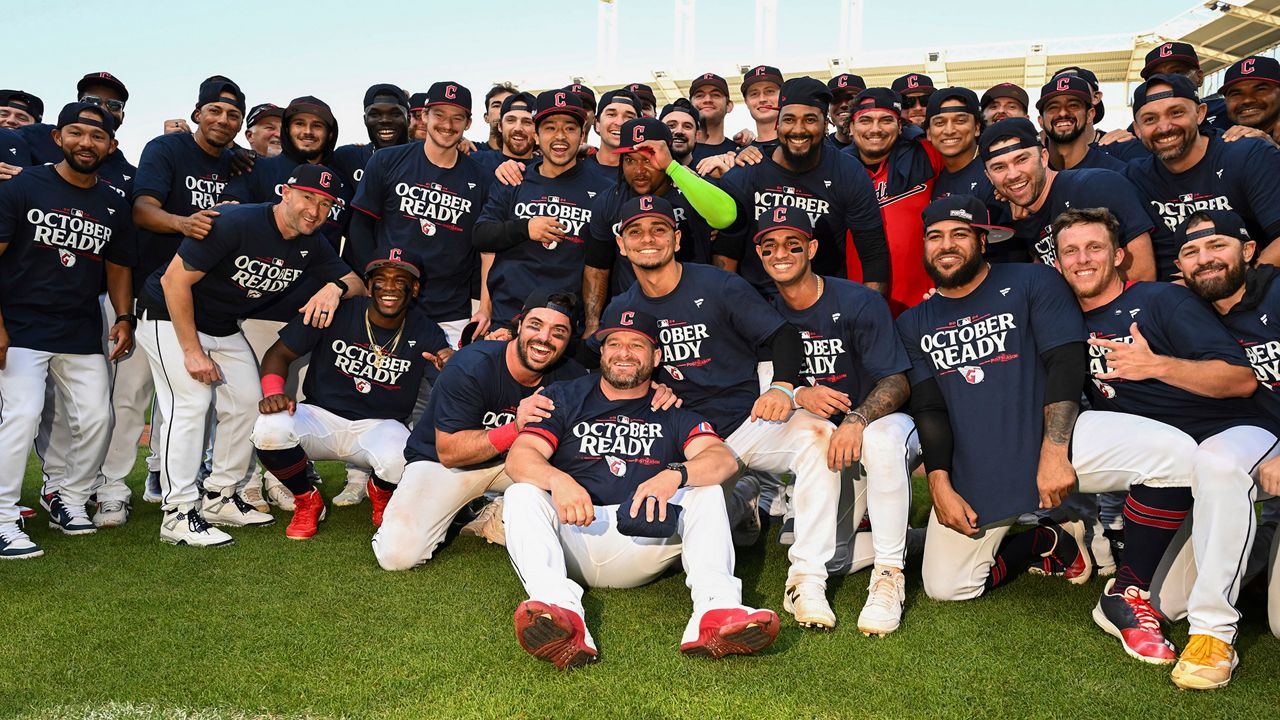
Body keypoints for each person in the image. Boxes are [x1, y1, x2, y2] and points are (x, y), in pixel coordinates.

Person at [898, 195, 1201, 610]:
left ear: (983, 241)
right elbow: (930, 408)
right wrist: (938, 481)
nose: (946, 245)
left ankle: (1130, 584)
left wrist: (1055, 451)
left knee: (1175, 453)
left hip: (1057, 442)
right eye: (935, 236)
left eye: (960, 234)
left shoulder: (1032, 281)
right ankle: (1046, 539)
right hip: (979, 462)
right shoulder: (913, 321)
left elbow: (1065, 360)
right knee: (946, 587)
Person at [602, 194, 846, 629]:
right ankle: (743, 506)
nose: (647, 239)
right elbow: (614, 379)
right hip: (687, 443)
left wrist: (784, 388)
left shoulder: (717, 284)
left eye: (659, 229)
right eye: (635, 231)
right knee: (651, 536)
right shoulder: (621, 308)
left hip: (746, 423)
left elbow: (784, 335)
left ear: (676, 239)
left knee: (818, 436)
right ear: (621, 245)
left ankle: (807, 578)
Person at [1053, 207, 1277, 677]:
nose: (1083, 259)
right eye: (1070, 251)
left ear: (1119, 256)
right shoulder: (1061, 316)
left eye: (1094, 248)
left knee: (1213, 461)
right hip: (1171, 471)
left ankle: (1214, 636)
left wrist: (1156, 366)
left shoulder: (1160, 301)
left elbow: (1240, 380)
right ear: (1057, 263)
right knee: (1167, 605)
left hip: (1230, 436)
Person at [503, 306, 779, 668]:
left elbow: (723, 460)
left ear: (656, 356)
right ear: (601, 352)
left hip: (641, 538)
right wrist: (558, 479)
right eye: (614, 343)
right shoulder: (567, 396)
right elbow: (520, 457)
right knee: (520, 493)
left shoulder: (671, 408)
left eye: (637, 345)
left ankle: (715, 611)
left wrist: (675, 474)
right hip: (574, 534)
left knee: (707, 489)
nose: (623, 353)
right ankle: (560, 613)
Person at [135, 164, 363, 547]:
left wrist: (335, 288)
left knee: (248, 405)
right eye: (308, 197)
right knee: (190, 403)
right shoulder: (235, 221)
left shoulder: (313, 242)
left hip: (222, 324)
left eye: (326, 204)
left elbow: (355, 281)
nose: (315, 211)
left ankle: (220, 496)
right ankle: (177, 513)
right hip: (168, 315)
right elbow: (174, 281)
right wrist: (191, 351)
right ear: (286, 193)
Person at [755, 206, 913, 635]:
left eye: (792, 244)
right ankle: (913, 541)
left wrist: (859, 418)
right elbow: (768, 379)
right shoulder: (764, 308)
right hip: (828, 442)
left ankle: (888, 574)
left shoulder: (857, 300)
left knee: (881, 439)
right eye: (769, 247)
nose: (780, 254)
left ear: (812, 248)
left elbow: (896, 381)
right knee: (832, 555)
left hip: (882, 423)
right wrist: (801, 392)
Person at [1148, 209, 1280, 688]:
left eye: (1216, 246)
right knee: (1166, 603)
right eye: (1190, 252)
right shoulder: (1191, 311)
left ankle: (1214, 630)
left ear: (1248, 251)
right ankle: (1219, 618)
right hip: (1260, 436)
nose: (1205, 260)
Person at [0, 103, 135, 558]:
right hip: (20, 325)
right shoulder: (24, 186)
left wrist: (123, 317)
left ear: (111, 147)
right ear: (58, 138)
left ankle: (69, 498)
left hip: (78, 328)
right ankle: (2, 518)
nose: (86, 143)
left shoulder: (113, 200)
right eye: (76, 133)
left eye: (97, 137)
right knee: (21, 416)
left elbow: (118, 264)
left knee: (98, 417)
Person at [371, 292, 587, 571]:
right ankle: (461, 508)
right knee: (397, 556)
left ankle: (497, 513)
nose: (544, 338)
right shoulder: (472, 365)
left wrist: (656, 391)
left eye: (559, 331)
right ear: (518, 326)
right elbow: (450, 452)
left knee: (580, 489)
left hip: (516, 467)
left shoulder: (573, 376)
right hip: (443, 464)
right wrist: (517, 427)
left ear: (569, 340)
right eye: (536, 325)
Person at [252, 248, 451, 539]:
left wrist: (451, 363)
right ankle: (306, 499)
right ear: (369, 286)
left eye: (400, 280)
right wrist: (273, 392)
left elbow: (450, 379)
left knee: (405, 461)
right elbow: (277, 354)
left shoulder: (426, 330)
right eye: (381, 279)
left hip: (379, 426)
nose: (390, 287)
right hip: (321, 416)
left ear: (415, 288)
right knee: (269, 429)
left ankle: (380, 491)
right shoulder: (337, 312)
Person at [716, 77, 889, 300]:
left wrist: (870, 312)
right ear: (777, 123)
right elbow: (725, 256)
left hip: (825, 305)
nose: (798, 130)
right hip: (758, 304)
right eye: (789, 119)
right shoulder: (747, 172)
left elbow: (873, 253)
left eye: (810, 120)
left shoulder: (847, 171)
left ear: (825, 124)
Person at [349, 81, 491, 348]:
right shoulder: (386, 161)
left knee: (444, 386)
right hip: (390, 300)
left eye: (457, 117)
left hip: (450, 310)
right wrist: (373, 281)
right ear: (424, 116)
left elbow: (487, 249)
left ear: (468, 123)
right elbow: (360, 227)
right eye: (439, 115)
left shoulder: (482, 177)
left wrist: (485, 305)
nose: (447, 125)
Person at [583, 117, 736, 331]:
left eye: (648, 159)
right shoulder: (609, 200)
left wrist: (672, 167)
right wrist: (592, 323)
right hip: (636, 316)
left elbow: (726, 217)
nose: (639, 170)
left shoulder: (690, 186)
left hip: (695, 312)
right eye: (629, 160)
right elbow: (597, 267)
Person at [474, 90, 612, 327]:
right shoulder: (514, 178)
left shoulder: (603, 189)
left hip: (566, 323)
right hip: (508, 318)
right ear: (536, 136)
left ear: (582, 135)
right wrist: (525, 228)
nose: (560, 136)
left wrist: (592, 323)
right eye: (550, 128)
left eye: (569, 128)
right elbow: (481, 236)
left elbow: (602, 264)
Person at [1123, 73, 1280, 279]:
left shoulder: (1246, 155)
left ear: (1200, 113)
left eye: (1176, 113)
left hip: (1256, 286)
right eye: (1150, 119)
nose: (1164, 127)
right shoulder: (1135, 178)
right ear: (1137, 129)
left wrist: (1244, 285)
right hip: (1182, 297)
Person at [980, 117, 1156, 279]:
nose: (1013, 174)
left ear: (1043, 157)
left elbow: (1143, 275)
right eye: (999, 167)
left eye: (1021, 160)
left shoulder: (1096, 186)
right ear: (988, 177)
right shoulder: (1024, 219)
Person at [848, 86, 944, 314]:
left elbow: (969, 162)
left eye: (886, 120)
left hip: (924, 302)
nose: (875, 129)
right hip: (860, 305)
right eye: (865, 120)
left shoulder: (926, 154)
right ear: (851, 127)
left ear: (900, 126)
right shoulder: (836, 169)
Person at [927, 87, 1024, 263]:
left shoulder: (996, 173)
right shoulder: (936, 177)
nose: (949, 130)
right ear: (928, 133)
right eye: (940, 123)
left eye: (960, 120)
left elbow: (1016, 245)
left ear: (977, 128)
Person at [1036, 76, 1126, 172]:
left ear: (1090, 115)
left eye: (1073, 105)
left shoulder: (1115, 171)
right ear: (1040, 121)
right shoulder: (1032, 172)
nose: (1063, 113)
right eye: (1053, 107)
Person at [331, 84, 410, 192]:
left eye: (395, 114)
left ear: (408, 118)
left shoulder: (427, 158)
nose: (385, 120)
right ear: (365, 120)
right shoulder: (347, 158)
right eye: (375, 115)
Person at [1220, 56, 1280, 146]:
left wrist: (1273, 150)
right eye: (1236, 94)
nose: (1247, 100)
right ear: (1225, 100)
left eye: (1260, 90)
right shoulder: (1215, 134)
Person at [689, 73, 737, 164]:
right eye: (699, 95)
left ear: (729, 106)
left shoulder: (739, 152)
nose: (707, 100)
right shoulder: (677, 150)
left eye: (715, 95)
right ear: (690, 106)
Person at [826, 73, 865, 150]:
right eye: (836, 99)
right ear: (828, 109)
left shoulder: (882, 144)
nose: (843, 105)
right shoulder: (819, 149)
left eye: (851, 98)